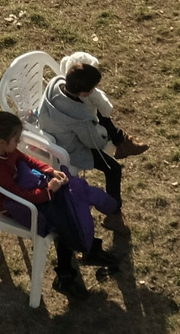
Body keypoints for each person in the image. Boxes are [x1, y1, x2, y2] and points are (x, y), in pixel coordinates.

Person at [0, 110, 92, 298]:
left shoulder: (4, 149)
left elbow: (23, 158)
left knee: (68, 206)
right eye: (16, 139)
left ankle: (85, 247)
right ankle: (66, 276)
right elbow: (19, 196)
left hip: (23, 193)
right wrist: (48, 191)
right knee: (63, 222)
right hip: (14, 205)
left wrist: (50, 170)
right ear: (3, 142)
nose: (19, 142)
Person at [33, 57, 144, 225]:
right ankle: (114, 214)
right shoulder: (80, 116)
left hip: (49, 133)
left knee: (97, 114)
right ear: (84, 93)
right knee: (113, 169)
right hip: (69, 150)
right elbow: (95, 143)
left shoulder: (56, 83)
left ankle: (122, 141)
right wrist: (103, 133)